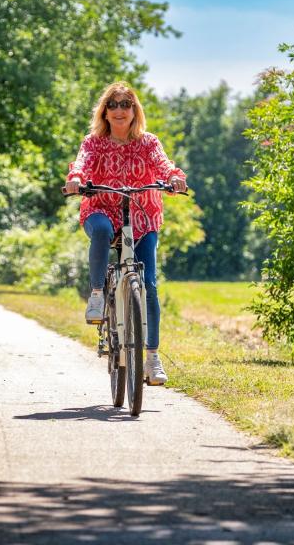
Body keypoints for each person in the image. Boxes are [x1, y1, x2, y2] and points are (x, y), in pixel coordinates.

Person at [64, 81, 187, 385]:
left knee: (149, 285)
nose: (119, 110)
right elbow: (82, 163)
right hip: (101, 208)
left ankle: (152, 359)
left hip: (142, 214)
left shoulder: (148, 142)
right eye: (113, 104)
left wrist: (173, 177)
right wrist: (77, 179)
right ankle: (95, 294)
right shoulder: (93, 142)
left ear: (134, 110)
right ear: (104, 112)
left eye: (126, 104)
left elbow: (163, 163)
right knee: (103, 231)